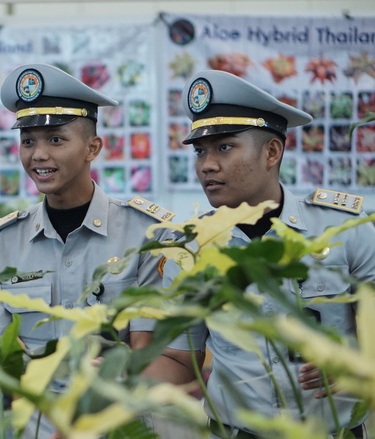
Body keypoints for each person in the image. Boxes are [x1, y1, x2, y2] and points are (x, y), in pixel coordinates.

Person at [0, 63, 174, 439]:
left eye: (55, 140)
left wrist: (116, 374)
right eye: (28, 141)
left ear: (93, 147)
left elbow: (167, 358)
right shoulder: (3, 243)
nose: (38, 154)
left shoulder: (147, 234)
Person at [150, 70, 373, 438]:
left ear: (272, 152)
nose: (207, 164)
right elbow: (179, 358)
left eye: (224, 147)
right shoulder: (191, 249)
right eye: (200, 151)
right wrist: (118, 381)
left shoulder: (344, 231)